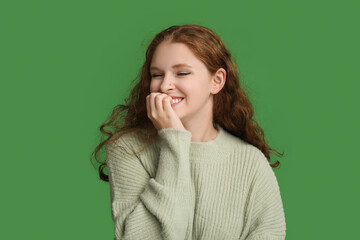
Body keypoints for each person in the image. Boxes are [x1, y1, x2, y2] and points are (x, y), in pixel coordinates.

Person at [91, 24, 286, 240]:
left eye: (182, 73)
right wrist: (173, 139)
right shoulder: (128, 149)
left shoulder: (251, 162)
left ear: (217, 81)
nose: (165, 85)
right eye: (156, 74)